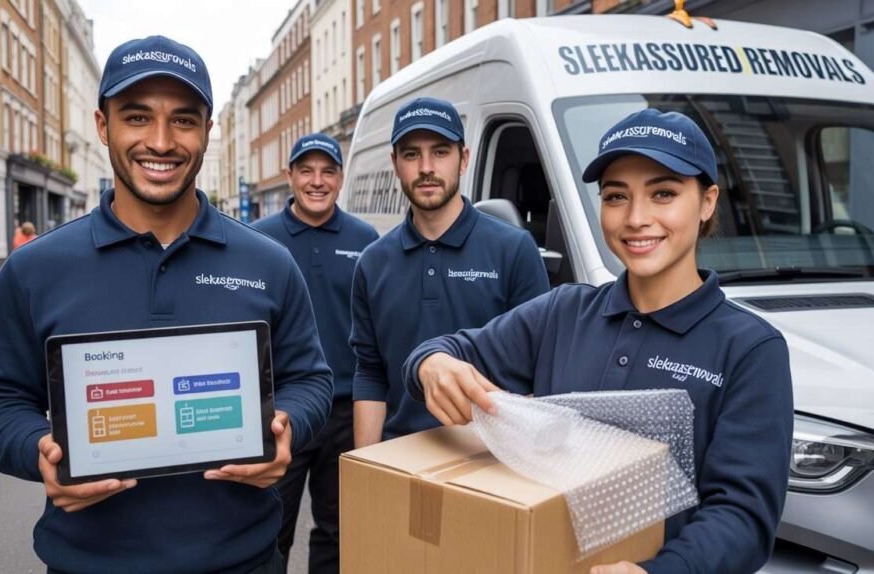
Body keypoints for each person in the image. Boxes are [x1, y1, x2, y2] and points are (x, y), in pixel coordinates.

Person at [0, 35, 332, 574]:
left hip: (244, 561)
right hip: (88, 563)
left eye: (183, 120)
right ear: (103, 125)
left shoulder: (269, 263)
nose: (161, 141)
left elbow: (311, 380)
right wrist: (38, 449)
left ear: (207, 132)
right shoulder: (35, 269)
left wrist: (286, 428)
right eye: (137, 117)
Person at [403, 109, 794, 574]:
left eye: (663, 193)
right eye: (615, 196)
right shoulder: (564, 312)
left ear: (707, 201)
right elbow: (445, 352)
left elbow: (743, 518)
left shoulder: (750, 349)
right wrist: (431, 365)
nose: (636, 218)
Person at [350, 97, 549, 447]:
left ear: (464, 159)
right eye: (412, 154)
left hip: (488, 457)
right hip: (400, 457)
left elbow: (538, 369)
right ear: (395, 164)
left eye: (440, 151)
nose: (426, 167)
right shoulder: (372, 262)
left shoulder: (514, 249)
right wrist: (365, 467)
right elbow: (370, 373)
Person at [251, 133, 378, 574]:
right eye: (306, 170)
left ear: (341, 178)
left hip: (344, 411)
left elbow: (374, 327)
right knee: (270, 528)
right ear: (289, 176)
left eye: (328, 171)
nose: (317, 181)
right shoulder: (258, 242)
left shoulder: (366, 240)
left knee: (339, 529)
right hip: (278, 409)